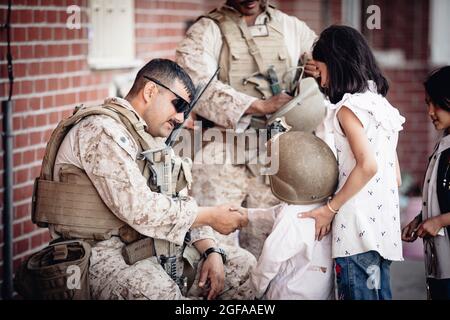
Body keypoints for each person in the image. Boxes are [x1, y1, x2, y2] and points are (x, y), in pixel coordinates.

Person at [30, 59, 256, 300]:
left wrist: (210, 248)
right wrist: (209, 215)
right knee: (163, 294)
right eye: (178, 104)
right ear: (150, 91)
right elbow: (140, 208)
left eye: (186, 110)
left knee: (242, 267)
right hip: (101, 254)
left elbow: (178, 199)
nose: (181, 118)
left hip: (149, 245)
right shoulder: (101, 130)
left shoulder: (148, 138)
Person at [176, 0, 319, 258]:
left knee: (271, 248)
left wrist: (315, 71)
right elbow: (194, 84)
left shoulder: (289, 26)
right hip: (221, 156)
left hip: (276, 156)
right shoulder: (206, 30)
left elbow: (325, 62)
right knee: (213, 247)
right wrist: (258, 105)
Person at [300, 25, 405, 300]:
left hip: (356, 234)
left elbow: (367, 165)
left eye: (321, 73)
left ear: (336, 65)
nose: (322, 83)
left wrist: (330, 209)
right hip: (383, 232)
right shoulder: (382, 106)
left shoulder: (348, 109)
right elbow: (395, 177)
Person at [250, 114, 337, 300]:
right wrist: (247, 214)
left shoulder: (292, 216)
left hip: (287, 294)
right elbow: (276, 213)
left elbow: (270, 259)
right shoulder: (327, 208)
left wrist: (255, 290)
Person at [402, 66, 450, 300]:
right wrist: (421, 219)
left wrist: (439, 221)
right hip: (440, 264)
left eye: (436, 104)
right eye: (427, 104)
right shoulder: (444, 145)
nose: (430, 112)